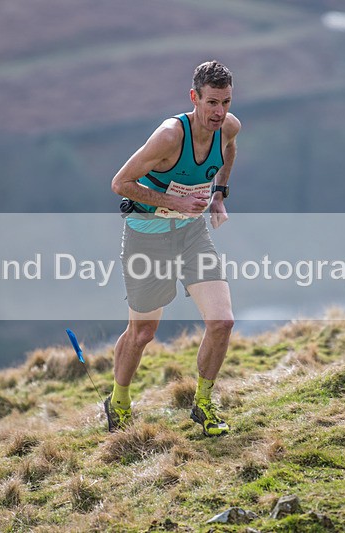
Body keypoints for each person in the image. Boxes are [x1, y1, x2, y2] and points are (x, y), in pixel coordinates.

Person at [107, 60, 241, 437]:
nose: (219, 112)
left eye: (226, 102)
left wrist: (219, 195)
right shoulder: (169, 136)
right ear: (194, 97)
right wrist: (174, 203)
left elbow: (229, 149)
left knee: (222, 322)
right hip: (147, 234)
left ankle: (204, 405)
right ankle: (118, 401)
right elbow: (120, 183)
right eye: (212, 102)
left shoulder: (228, 127)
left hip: (191, 234)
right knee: (143, 332)